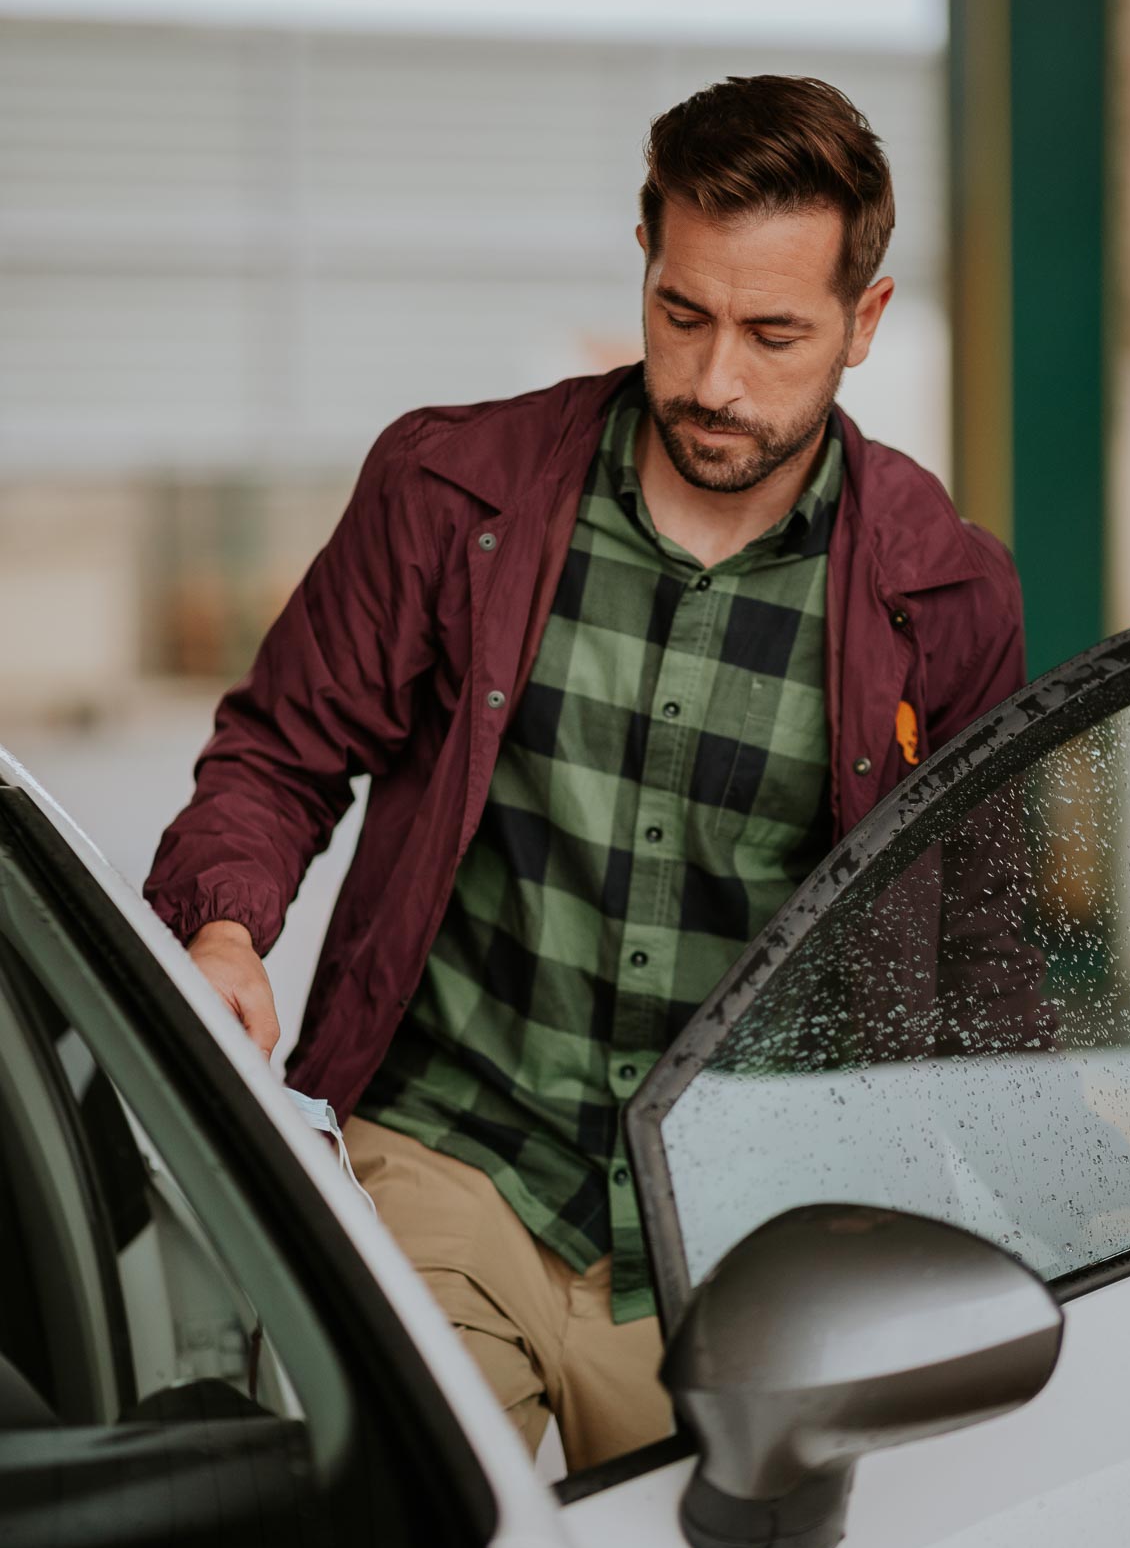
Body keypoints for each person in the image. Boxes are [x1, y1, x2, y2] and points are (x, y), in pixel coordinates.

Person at [145, 75, 1026, 1473]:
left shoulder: (946, 594)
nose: (713, 378)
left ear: (863, 322)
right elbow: (279, 748)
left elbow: (984, 950)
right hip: (448, 1157)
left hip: (740, 1242)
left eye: (772, 331)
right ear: (646, 263)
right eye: (682, 313)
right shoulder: (452, 492)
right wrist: (225, 923)